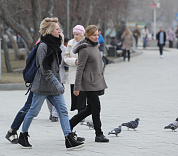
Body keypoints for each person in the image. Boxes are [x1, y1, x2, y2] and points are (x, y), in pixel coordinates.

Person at [17, 17, 84, 150]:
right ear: (49, 31)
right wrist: (55, 82)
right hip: (42, 86)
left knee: (63, 111)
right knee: (33, 112)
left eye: (59, 29)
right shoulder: (43, 46)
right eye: (57, 29)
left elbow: (60, 63)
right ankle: (23, 135)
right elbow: (44, 68)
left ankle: (68, 138)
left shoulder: (57, 44)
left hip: (55, 87)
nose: (60, 31)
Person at [69, 25, 109, 143]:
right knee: (96, 107)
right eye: (93, 35)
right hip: (88, 83)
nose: (96, 37)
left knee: (90, 109)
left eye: (97, 35)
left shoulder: (94, 46)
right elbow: (80, 69)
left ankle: (70, 124)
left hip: (95, 82)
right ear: (87, 35)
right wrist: (77, 87)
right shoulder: (85, 49)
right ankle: (99, 134)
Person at [64, 25, 87, 118]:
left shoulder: (86, 42)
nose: (75, 36)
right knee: (75, 93)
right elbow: (65, 57)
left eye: (77, 34)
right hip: (73, 71)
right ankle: (78, 111)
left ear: (82, 34)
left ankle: (82, 113)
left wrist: (80, 61)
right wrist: (74, 61)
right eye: (74, 34)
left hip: (84, 72)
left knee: (82, 93)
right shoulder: (70, 43)